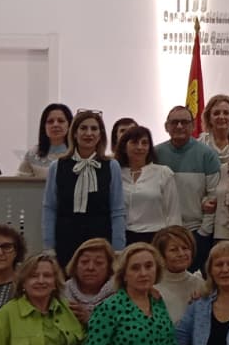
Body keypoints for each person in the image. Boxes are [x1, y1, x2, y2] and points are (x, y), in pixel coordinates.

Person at [42, 110, 126, 263]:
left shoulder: (111, 166)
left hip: (101, 241)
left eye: (94, 129)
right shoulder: (57, 166)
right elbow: (50, 208)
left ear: (100, 135)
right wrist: (49, 246)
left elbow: (117, 210)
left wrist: (118, 248)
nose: (89, 133)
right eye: (83, 128)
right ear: (74, 133)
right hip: (65, 240)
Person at [155, 105, 221, 271]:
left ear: (193, 126)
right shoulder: (155, 154)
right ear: (166, 126)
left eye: (184, 122)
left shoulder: (208, 155)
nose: (179, 126)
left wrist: (203, 233)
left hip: (196, 233)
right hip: (161, 232)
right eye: (174, 122)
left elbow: (214, 197)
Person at [117, 125, 179, 245]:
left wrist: (173, 241)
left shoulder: (163, 173)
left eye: (144, 143)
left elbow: (173, 214)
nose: (140, 147)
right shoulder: (117, 173)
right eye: (134, 143)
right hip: (125, 237)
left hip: (156, 237)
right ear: (124, 147)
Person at [19, 103, 72, 176]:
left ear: (70, 125)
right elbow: (19, 181)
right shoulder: (33, 154)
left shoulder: (78, 153)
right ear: (44, 127)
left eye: (61, 121)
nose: (55, 125)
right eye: (50, 121)